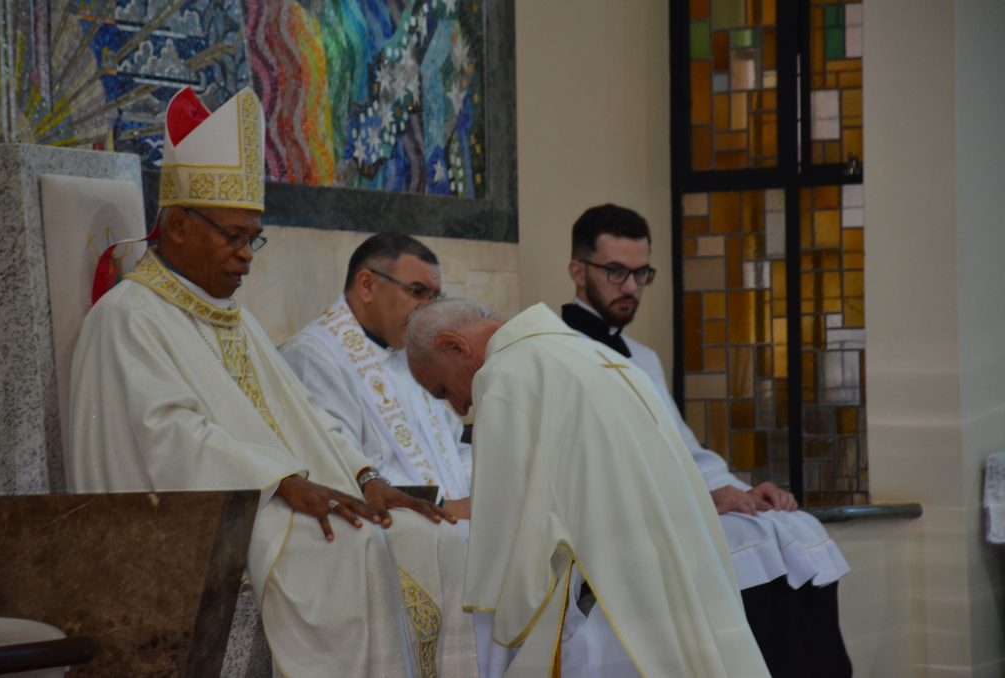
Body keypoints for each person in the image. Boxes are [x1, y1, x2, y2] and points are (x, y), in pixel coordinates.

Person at [67, 85, 476, 678]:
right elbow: (167, 436)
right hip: (210, 518)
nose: (246, 255)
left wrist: (367, 476)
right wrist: (278, 480)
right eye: (232, 236)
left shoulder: (234, 317)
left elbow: (303, 413)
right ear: (177, 226)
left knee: (433, 541)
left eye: (252, 237)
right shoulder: (129, 318)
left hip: (269, 497)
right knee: (357, 551)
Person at [405, 298, 770, 677]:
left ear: (454, 345)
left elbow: (507, 519)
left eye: (443, 389)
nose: (459, 408)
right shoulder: (598, 356)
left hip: (610, 600)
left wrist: (430, 518)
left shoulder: (506, 374)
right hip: (677, 575)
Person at [561, 203, 852, 678]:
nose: (631, 288)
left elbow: (684, 450)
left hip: (680, 506)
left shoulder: (642, 357)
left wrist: (739, 488)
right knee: (747, 543)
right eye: (616, 272)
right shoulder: (554, 354)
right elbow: (591, 463)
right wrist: (701, 496)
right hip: (621, 523)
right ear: (578, 270)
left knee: (791, 527)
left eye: (641, 273)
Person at [279, 233, 471, 521]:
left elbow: (452, 448)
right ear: (367, 285)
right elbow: (338, 468)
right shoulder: (313, 356)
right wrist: (444, 504)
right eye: (417, 291)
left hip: (444, 523)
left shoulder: (409, 353)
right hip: (389, 527)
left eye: (435, 297)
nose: (429, 309)